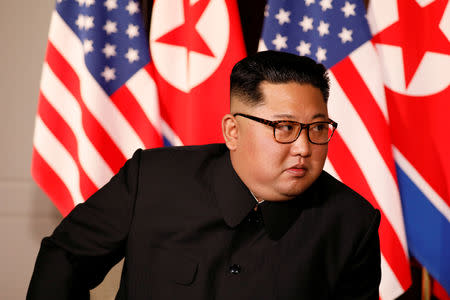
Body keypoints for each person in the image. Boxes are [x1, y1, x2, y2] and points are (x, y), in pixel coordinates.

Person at [27, 50, 381, 299]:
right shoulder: (151, 179)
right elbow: (65, 258)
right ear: (233, 131)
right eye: (285, 127)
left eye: (318, 128)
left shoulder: (352, 222)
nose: (304, 147)